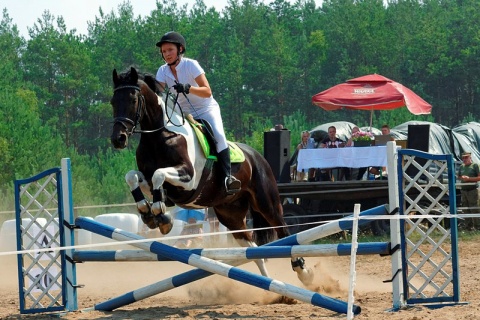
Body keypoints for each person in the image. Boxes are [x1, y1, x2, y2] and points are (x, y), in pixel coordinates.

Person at [155, 31, 241, 194]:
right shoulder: (162, 71)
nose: (166, 54)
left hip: (205, 109)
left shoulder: (191, 65)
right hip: (181, 112)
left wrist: (188, 88)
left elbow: (207, 91)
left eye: (170, 50)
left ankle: (227, 178)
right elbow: (158, 92)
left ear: (180, 49)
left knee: (219, 136)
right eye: (164, 51)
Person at [458, 152, 480, 230]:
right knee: (465, 209)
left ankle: (477, 227)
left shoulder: (475, 165)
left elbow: (479, 177)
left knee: (474, 208)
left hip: (472, 190)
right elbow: (459, 176)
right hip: (464, 190)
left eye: (466, 157)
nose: (464, 159)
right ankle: (468, 227)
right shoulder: (461, 167)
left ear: (470, 157)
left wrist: (469, 179)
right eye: (463, 158)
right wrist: (462, 178)